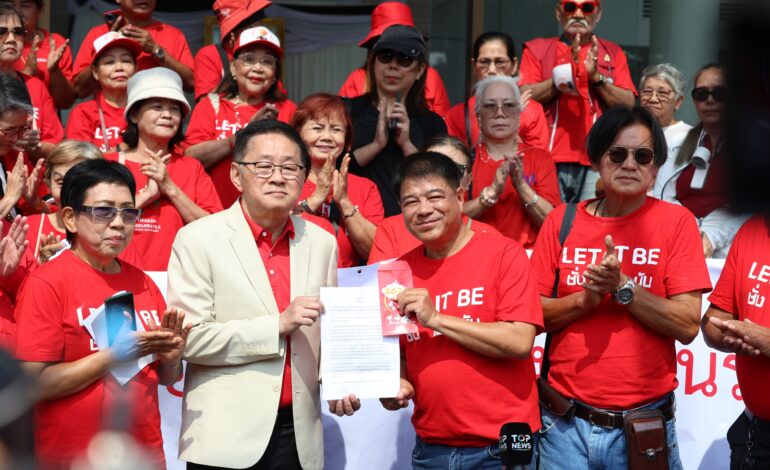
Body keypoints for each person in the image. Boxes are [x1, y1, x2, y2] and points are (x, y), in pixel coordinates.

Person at [168, 120, 359, 470]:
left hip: (299, 434)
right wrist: (276, 325)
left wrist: (339, 380)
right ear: (237, 176)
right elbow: (189, 340)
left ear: (305, 179)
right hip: (225, 434)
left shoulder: (322, 242)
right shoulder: (197, 239)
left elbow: (329, 334)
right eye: (264, 166)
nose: (278, 177)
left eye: (290, 167)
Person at [530, 106, 712, 469]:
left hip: (643, 428)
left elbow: (688, 325)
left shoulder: (676, 223)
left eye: (642, 156)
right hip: (564, 427)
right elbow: (531, 316)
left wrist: (624, 289)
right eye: (617, 153)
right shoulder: (560, 221)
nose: (630, 164)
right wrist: (586, 300)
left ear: (655, 169)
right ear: (596, 160)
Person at [14, 158, 191, 469]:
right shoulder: (47, 282)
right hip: (73, 458)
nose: (119, 223)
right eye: (104, 211)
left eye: (128, 211)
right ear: (69, 217)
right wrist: (112, 356)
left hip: (144, 454)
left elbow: (166, 378)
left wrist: (173, 357)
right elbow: (32, 385)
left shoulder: (144, 282)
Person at [380, 152, 541, 469]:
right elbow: (399, 355)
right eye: (411, 202)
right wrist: (394, 386)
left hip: (501, 448)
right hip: (431, 448)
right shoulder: (397, 273)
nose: (423, 210)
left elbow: (521, 341)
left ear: (459, 195)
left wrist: (436, 318)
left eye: (435, 197)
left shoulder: (503, 252)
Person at [105, 67, 222, 271]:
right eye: (157, 107)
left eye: (174, 109)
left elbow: (214, 228)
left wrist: (169, 187)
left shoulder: (191, 167)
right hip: (117, 273)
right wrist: (144, 198)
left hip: (180, 278)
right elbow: (94, 221)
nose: (167, 115)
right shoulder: (109, 163)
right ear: (134, 114)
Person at [519, 0, 636, 202]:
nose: (579, 14)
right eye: (570, 7)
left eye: (587, 8)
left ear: (598, 14)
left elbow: (629, 104)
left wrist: (596, 78)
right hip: (547, 156)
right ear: (558, 13)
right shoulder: (538, 49)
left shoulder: (613, 52)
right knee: (551, 224)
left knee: (588, 224)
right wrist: (565, 76)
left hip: (598, 157)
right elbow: (524, 96)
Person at [183, 26, 296, 208]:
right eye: (249, 59)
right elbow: (190, 158)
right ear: (234, 67)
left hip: (267, 216)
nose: (258, 68)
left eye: (267, 62)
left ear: (275, 74)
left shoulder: (287, 110)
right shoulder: (211, 106)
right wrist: (239, 137)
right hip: (213, 214)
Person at [346, 24, 447, 217]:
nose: (393, 65)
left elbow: (439, 183)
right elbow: (331, 167)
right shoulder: (348, 111)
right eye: (385, 56)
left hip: (414, 224)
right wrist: (376, 145)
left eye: (404, 59)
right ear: (373, 63)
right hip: (354, 220)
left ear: (419, 70)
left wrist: (407, 145)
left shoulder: (432, 123)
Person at [654, 64, 747, 258]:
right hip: (680, 241)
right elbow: (662, 195)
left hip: (733, 247)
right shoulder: (677, 144)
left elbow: (753, 205)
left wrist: (712, 237)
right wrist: (689, 232)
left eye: (719, 93)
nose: (710, 100)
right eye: (701, 94)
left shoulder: (751, 148)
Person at [702, 215, 770, 469]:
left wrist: (766, 340)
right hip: (755, 436)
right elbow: (713, 321)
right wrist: (728, 335)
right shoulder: (752, 229)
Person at [368, 135, 500, 263]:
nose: (425, 210)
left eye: (455, 169)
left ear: (468, 182)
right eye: (431, 167)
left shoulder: (491, 238)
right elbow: (382, 283)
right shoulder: (391, 229)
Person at [464, 76, 560, 248]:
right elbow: (452, 217)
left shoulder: (539, 158)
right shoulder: (465, 159)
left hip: (528, 260)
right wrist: (490, 195)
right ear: (478, 114)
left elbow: (553, 223)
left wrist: (522, 187)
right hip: (478, 259)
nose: (499, 113)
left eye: (508, 105)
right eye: (490, 106)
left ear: (518, 113)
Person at [291, 93, 383, 266]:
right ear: (297, 134)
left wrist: (344, 201)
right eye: (317, 128)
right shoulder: (286, 180)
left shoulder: (366, 188)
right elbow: (275, 233)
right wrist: (317, 198)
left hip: (348, 288)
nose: (327, 137)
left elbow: (375, 251)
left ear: (347, 140)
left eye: (336, 129)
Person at [339, 1, 450, 117]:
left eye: (405, 57)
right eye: (386, 52)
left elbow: (440, 127)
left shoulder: (431, 77)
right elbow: (341, 125)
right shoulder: (356, 79)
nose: (393, 64)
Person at [445, 31, 549, 150]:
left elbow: (539, 162)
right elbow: (453, 161)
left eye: (500, 62)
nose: (492, 70)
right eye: (484, 62)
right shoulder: (457, 115)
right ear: (474, 66)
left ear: (514, 65)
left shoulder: (533, 111)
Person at [72, 0, 195, 97]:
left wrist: (157, 51)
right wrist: (106, 44)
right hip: (109, 122)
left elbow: (191, 84)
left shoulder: (173, 35)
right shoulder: (98, 34)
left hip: (156, 119)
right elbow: (79, 90)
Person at [0, 3, 63, 163]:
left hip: (32, 183)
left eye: (18, 32)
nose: (11, 39)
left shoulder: (35, 85)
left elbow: (57, 146)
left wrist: (34, 146)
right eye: (2, 31)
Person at [24, 140, 103, 266]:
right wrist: (42, 271)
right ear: (48, 183)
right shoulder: (28, 228)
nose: (69, 191)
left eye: (80, 182)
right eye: (61, 182)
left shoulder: (111, 229)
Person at [65, 32, 141, 152]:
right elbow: (77, 161)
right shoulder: (83, 113)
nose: (119, 67)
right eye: (109, 62)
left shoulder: (146, 111)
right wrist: (119, 150)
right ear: (95, 72)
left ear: (136, 69)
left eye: (126, 60)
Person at [193, 0, 270, 101]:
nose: (258, 33)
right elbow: (204, 106)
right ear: (231, 34)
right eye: (252, 27)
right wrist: (236, 64)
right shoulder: (209, 55)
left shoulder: (265, 56)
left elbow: (279, 100)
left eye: (260, 25)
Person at [0, 73, 49, 218]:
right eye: (8, 131)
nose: (14, 138)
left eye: (22, 129)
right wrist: (9, 198)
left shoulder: (15, 156)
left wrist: (35, 203)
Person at [10, 0, 75, 109]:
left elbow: (65, 103)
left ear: (39, 11)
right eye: (11, 5)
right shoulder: (3, 43)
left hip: (47, 123)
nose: (17, 11)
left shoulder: (56, 43)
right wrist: (26, 74)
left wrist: (54, 71)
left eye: (25, 5)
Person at [639, 63, 692, 188]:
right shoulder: (627, 132)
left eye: (662, 93)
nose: (653, 99)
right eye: (647, 91)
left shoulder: (690, 137)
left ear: (678, 101)